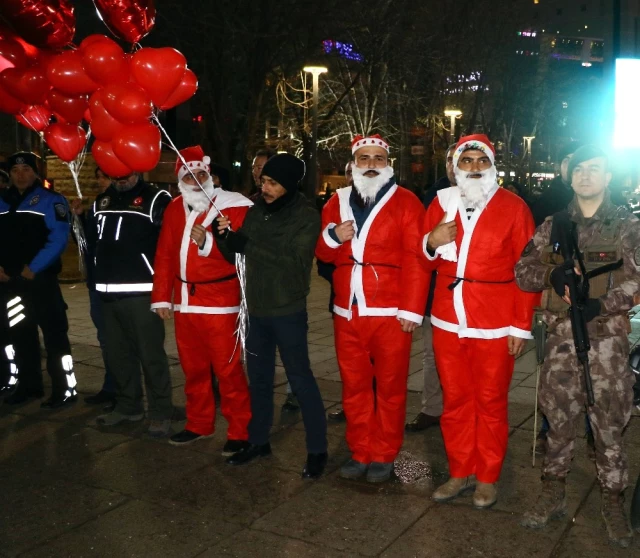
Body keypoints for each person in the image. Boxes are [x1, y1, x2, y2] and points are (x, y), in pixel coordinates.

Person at [516, 145, 640, 548]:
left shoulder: (627, 226)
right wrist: (553, 276)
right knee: (558, 420)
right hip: (561, 344)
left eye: (596, 168)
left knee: (609, 424)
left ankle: (612, 499)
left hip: (606, 344)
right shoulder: (554, 225)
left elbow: (638, 280)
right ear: (570, 176)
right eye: (579, 169)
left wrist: (602, 304)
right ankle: (552, 491)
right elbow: (522, 271)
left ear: (608, 177)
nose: (586, 175)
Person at [421, 134, 537, 508]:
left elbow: (527, 270)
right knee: (455, 399)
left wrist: (520, 326)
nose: (473, 168)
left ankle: (487, 474)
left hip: (494, 319)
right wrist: (431, 242)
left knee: (490, 400)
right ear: (455, 167)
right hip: (447, 318)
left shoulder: (514, 208)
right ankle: (460, 470)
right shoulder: (440, 203)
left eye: (480, 161)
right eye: (466, 161)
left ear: (492, 167)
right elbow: (421, 261)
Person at [315, 134, 429, 483]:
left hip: (390, 311)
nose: (371, 165)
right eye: (364, 158)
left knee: (391, 386)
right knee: (354, 385)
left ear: (388, 164)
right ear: (353, 164)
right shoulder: (336, 201)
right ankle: (360, 449)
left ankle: (384, 452)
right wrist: (334, 237)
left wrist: (411, 309)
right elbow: (322, 255)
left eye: (378, 158)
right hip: (347, 310)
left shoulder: (407, 202)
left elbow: (417, 259)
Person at [216, 153, 328, 479]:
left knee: (301, 380)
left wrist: (244, 244)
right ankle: (258, 440)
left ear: (289, 186)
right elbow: (237, 251)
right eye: (263, 181)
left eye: (273, 183)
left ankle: (318, 449)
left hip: (287, 311)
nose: (264, 188)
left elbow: (292, 262)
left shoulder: (305, 216)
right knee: (260, 381)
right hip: (256, 311)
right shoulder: (256, 212)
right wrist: (224, 238)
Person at [151, 146, 252, 453]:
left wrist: (208, 241)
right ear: (180, 179)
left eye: (201, 174)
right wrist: (161, 298)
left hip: (220, 301)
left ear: (211, 175)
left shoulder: (234, 206)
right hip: (184, 301)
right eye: (189, 175)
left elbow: (243, 254)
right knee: (193, 369)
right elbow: (166, 254)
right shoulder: (174, 208)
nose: (196, 180)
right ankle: (198, 423)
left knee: (228, 370)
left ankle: (240, 430)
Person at [92, 171, 174, 438]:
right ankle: (129, 406)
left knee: (151, 357)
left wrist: (163, 291)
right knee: (118, 355)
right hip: (107, 294)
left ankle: (161, 412)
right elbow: (95, 241)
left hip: (142, 294)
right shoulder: (102, 200)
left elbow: (168, 244)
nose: (121, 176)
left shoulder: (156, 198)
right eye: (115, 171)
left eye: (126, 171)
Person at [0, 152, 77, 408]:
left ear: (35, 172)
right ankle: (29, 386)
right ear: (9, 174)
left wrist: (33, 268)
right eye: (15, 170)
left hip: (41, 281)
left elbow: (58, 238)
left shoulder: (51, 201)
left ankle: (64, 390)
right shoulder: (2, 201)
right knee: (20, 335)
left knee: (55, 336)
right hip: (11, 283)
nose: (20, 174)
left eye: (26, 169)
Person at [405, 144, 457, 432]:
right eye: (449, 159)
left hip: (472, 296)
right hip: (434, 289)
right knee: (430, 353)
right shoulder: (433, 195)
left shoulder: (488, 195)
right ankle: (431, 408)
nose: (453, 164)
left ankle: (459, 408)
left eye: (457, 159)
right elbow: (420, 243)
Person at [71, 167, 117, 409]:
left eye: (104, 176)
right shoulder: (99, 204)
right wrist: (78, 218)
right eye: (98, 176)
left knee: (121, 339)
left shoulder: (126, 203)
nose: (100, 181)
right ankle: (112, 387)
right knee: (105, 338)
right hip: (97, 282)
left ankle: (126, 390)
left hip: (120, 284)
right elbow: (87, 242)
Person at [321, 161, 353, 424]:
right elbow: (321, 256)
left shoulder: (401, 201)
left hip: (385, 306)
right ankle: (350, 407)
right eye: (352, 170)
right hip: (344, 299)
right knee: (351, 365)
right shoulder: (336, 202)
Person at [531, 141, 582, 226]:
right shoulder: (545, 202)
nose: (570, 166)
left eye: (575, 161)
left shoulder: (597, 197)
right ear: (559, 166)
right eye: (566, 161)